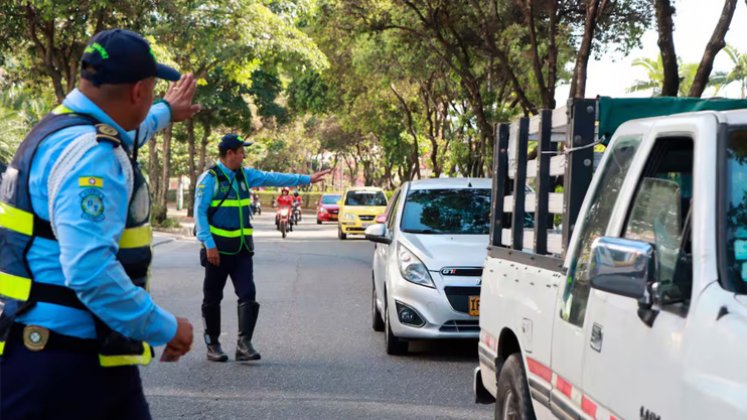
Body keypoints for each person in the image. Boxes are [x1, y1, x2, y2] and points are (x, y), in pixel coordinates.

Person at [0, 29, 199, 418]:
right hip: (66, 366)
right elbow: (91, 272)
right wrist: (165, 327)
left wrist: (165, 112)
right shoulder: (93, 157)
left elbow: (125, 129)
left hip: (43, 349)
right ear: (139, 90)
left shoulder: (56, 129)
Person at [194, 134, 330, 362]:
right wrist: (208, 244)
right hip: (217, 250)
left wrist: (307, 179)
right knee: (212, 297)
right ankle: (213, 344)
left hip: (242, 249)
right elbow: (199, 212)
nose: (244, 155)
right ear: (230, 154)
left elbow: (273, 177)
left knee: (248, 293)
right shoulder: (210, 179)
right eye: (240, 152)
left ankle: (243, 344)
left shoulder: (245, 176)